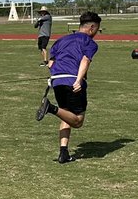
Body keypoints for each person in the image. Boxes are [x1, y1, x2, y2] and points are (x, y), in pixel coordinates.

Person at [36, 10, 101, 164]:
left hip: (57, 80)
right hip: (72, 81)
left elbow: (51, 63)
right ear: (91, 27)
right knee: (77, 121)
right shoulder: (89, 42)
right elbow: (85, 60)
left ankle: (63, 153)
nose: (96, 33)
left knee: (66, 114)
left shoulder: (61, 40)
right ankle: (51, 108)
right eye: (97, 29)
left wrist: (55, 77)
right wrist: (78, 80)